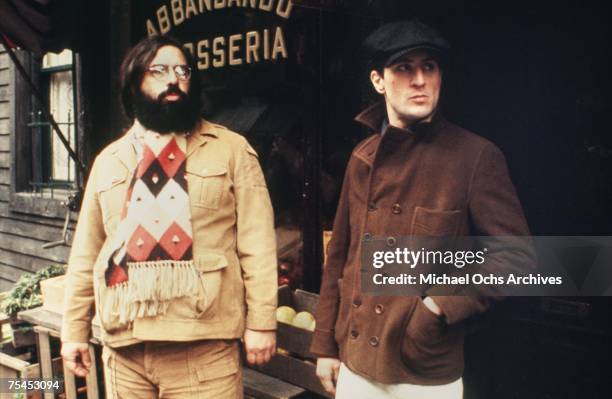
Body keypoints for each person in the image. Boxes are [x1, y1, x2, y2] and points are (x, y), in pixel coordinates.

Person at [310, 19, 532, 398]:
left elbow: (517, 258)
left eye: (429, 67)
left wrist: (436, 308)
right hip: (355, 362)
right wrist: (325, 346)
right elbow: (340, 258)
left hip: (423, 370)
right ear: (378, 81)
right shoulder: (361, 158)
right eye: (404, 68)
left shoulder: (474, 157)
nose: (419, 80)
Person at [60, 35, 277, 398]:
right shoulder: (109, 161)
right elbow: (86, 253)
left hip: (203, 346)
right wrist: (73, 331)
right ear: (135, 84)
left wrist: (262, 322)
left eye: (182, 70)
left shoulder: (231, 150)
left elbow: (257, 243)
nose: (173, 79)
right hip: (124, 347)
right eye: (158, 71)